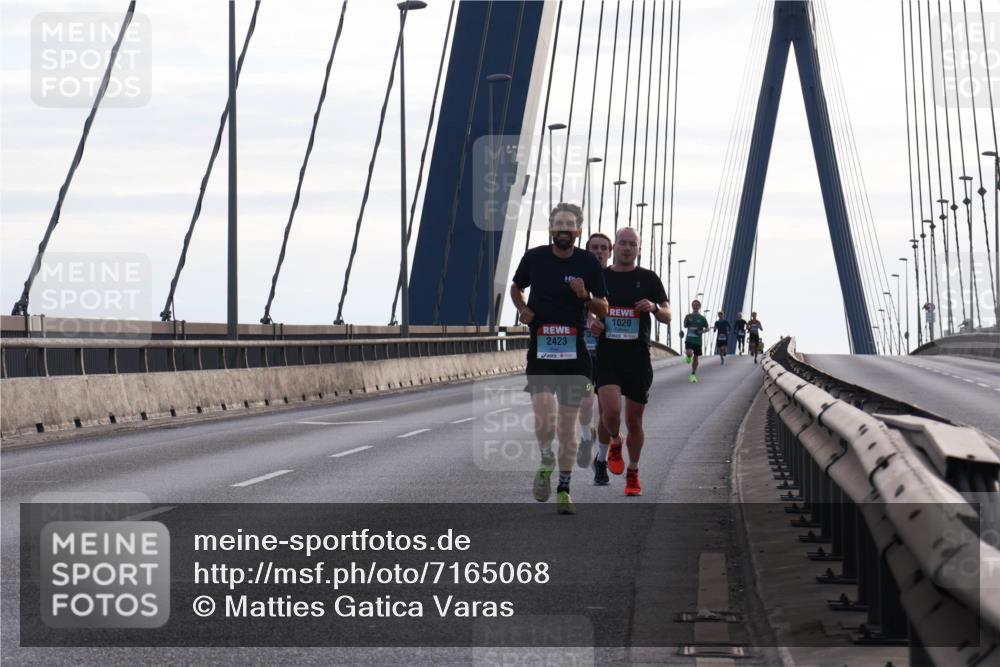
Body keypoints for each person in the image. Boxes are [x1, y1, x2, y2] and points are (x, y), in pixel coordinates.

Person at [510, 203, 609, 515]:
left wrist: (585, 297)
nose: (564, 228)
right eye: (559, 223)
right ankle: (546, 458)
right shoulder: (534, 258)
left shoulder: (588, 263)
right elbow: (516, 287)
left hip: (574, 355)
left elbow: (603, 307)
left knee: (567, 427)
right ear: (551, 229)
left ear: (578, 231)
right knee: (544, 420)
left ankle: (564, 488)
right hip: (540, 350)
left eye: (570, 224)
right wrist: (522, 309)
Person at [590, 227, 670, 496]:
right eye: (622, 243)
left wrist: (655, 308)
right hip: (608, 356)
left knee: (634, 421)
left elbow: (668, 314)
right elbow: (584, 308)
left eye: (631, 244)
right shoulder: (600, 277)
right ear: (616, 248)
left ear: (639, 248)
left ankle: (633, 472)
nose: (627, 248)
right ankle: (614, 440)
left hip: (637, 358)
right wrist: (593, 323)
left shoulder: (648, 278)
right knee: (610, 413)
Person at [577, 232, 612, 473]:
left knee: (608, 411)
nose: (598, 252)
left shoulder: (616, 280)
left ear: (610, 253)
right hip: (585, 356)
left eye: (603, 248)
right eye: (594, 248)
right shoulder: (576, 280)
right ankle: (586, 435)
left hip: (611, 358)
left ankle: (602, 457)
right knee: (586, 402)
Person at [682, 300, 709, 383]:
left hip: (698, 341)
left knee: (696, 359)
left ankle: (693, 374)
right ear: (692, 306)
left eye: (697, 305)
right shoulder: (688, 316)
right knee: (689, 353)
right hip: (689, 339)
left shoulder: (702, 318)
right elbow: (685, 325)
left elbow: (707, 328)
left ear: (699, 307)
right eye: (694, 305)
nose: (695, 306)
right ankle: (688, 356)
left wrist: (701, 332)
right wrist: (687, 322)